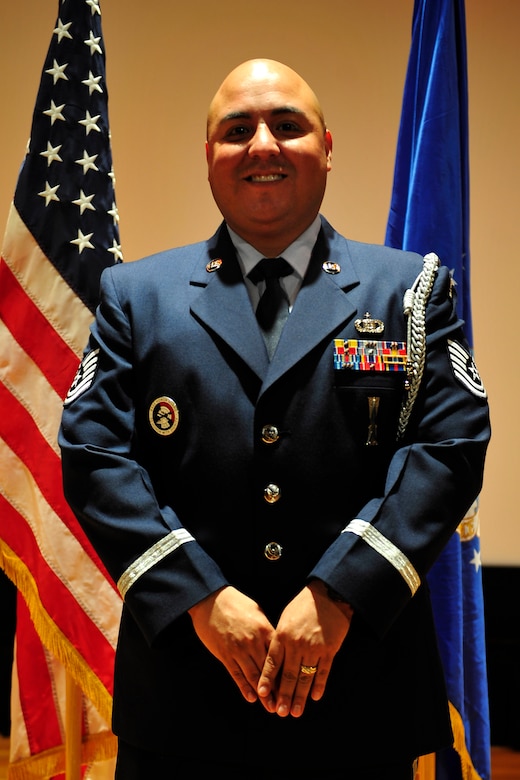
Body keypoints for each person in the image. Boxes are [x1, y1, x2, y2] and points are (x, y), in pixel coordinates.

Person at [59, 59, 490, 779]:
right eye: (237, 130)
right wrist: (199, 597)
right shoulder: (136, 297)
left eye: (287, 126)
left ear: (326, 147)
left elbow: (448, 447)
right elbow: (95, 454)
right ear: (209, 159)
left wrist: (339, 594)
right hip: (184, 701)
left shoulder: (410, 289)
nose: (262, 144)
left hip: (359, 702)